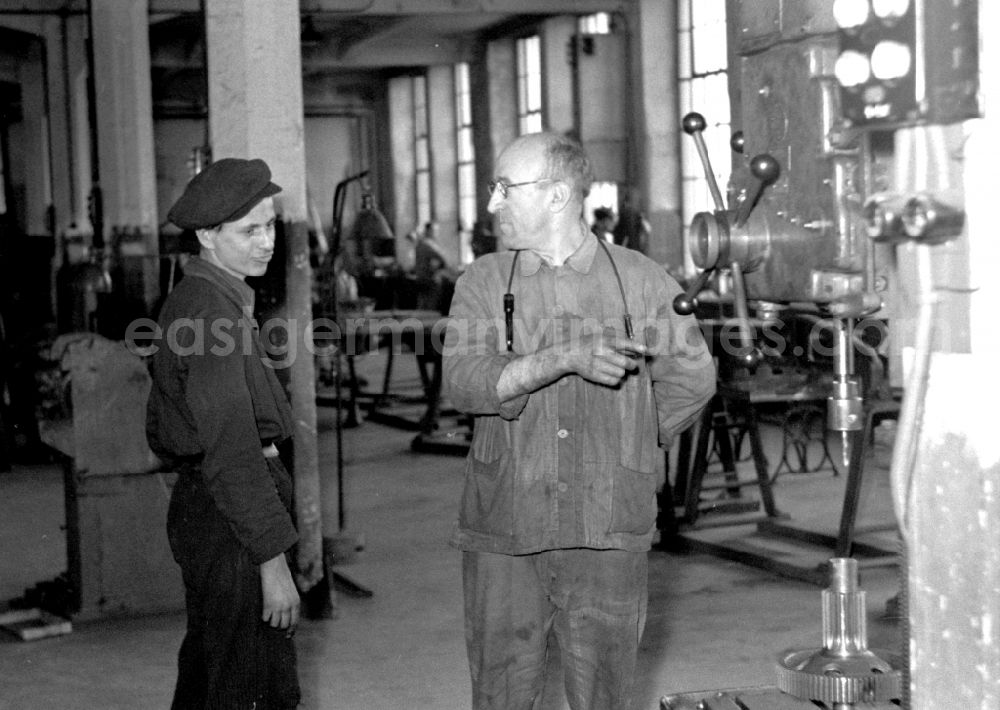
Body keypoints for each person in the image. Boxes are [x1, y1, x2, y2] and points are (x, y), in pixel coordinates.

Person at [442, 132, 716, 710]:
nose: (493, 203)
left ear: (557, 196)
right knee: (501, 690)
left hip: (607, 524)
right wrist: (558, 358)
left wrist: (632, 442)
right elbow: (463, 381)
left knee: (604, 694)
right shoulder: (485, 282)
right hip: (506, 521)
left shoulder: (640, 280)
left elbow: (693, 377)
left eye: (504, 189)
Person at [147, 157, 301, 709]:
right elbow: (233, 452)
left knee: (213, 674)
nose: (266, 243)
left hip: (214, 511)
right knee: (251, 685)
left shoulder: (213, 299)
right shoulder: (211, 314)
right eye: (249, 231)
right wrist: (273, 562)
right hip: (230, 517)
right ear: (207, 235)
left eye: (271, 224)